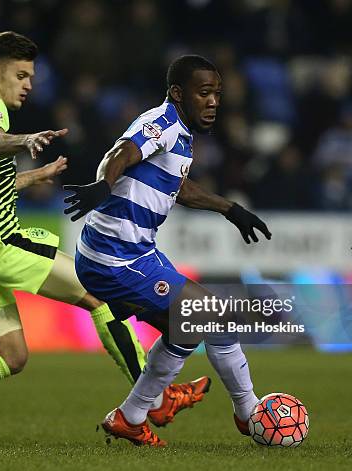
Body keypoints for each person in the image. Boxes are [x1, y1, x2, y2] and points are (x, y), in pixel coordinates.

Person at [0, 32, 207, 439]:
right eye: (21, 75)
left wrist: (36, 175)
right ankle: (154, 400)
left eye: (30, 76)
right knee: (99, 295)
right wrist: (25, 139)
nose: (29, 84)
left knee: (12, 357)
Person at [64, 55, 272, 446]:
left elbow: (181, 188)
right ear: (178, 93)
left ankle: (133, 415)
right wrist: (104, 184)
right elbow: (121, 154)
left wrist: (231, 209)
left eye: (217, 94)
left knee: (188, 329)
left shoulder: (181, 133)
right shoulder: (161, 124)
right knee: (213, 315)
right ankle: (250, 413)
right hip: (116, 258)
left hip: (134, 252)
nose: (213, 102)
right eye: (204, 92)